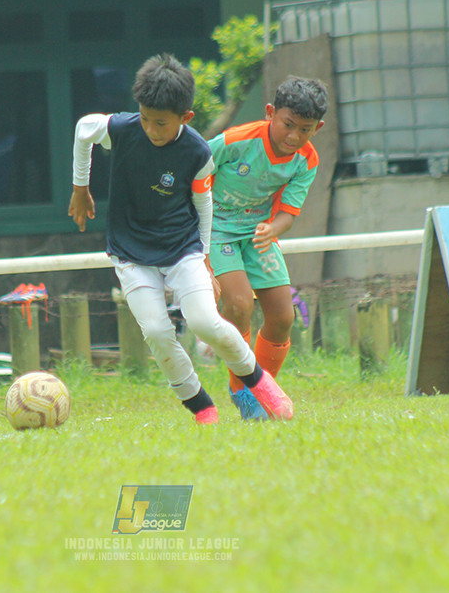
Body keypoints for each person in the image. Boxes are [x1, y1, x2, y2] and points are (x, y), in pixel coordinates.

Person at [68, 53, 294, 424]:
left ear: (185, 118)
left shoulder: (198, 152)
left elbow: (203, 203)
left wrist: (204, 258)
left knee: (205, 321)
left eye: (160, 123)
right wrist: (81, 188)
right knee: (157, 332)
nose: (150, 129)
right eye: (144, 118)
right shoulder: (123, 129)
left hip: (182, 248)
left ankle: (259, 382)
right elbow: (83, 130)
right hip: (130, 252)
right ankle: (201, 407)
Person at [208, 76, 329, 420]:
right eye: (287, 125)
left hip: (259, 235)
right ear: (270, 112)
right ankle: (240, 388)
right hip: (217, 231)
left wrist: (271, 228)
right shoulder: (235, 142)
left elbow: (288, 215)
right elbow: (195, 171)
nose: (294, 136)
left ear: (317, 128)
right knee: (239, 303)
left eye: (304, 130)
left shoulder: (306, 160)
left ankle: (261, 392)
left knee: (283, 317)